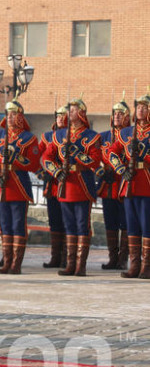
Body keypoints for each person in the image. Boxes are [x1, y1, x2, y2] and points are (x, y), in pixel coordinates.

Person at [0, 99, 40, 275]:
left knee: (18, 224)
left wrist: (16, 158)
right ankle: (6, 262)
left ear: (20, 116)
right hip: (2, 184)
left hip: (18, 184)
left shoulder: (29, 138)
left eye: (14, 114)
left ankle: (16, 264)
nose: (11, 117)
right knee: (4, 224)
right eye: (8, 114)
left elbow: (34, 163)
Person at [42, 98, 100, 277]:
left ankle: (80, 266)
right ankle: (70, 263)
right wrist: (56, 172)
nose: (71, 113)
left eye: (74, 110)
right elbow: (46, 157)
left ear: (81, 113)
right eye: (70, 110)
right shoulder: (59, 135)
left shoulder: (92, 136)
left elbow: (94, 160)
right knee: (68, 225)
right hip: (65, 183)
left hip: (82, 184)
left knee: (82, 224)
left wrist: (76, 152)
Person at [108, 91, 150, 279]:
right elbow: (111, 152)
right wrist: (121, 168)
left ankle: (147, 266)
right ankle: (134, 265)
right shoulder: (126, 132)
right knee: (132, 225)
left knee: (146, 225)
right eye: (138, 107)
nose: (140, 110)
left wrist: (142, 154)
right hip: (129, 182)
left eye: (144, 107)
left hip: (146, 182)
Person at [97, 97, 130, 270]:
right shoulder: (103, 137)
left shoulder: (130, 135)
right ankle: (112, 258)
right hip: (108, 185)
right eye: (114, 113)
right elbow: (93, 159)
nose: (116, 116)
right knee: (110, 223)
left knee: (126, 223)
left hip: (125, 184)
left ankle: (123, 259)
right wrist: (101, 172)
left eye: (120, 113)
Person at [38, 107, 68, 269]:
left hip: (66, 183)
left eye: (63, 116)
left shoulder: (71, 135)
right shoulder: (47, 137)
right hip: (51, 185)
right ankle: (55, 257)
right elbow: (37, 156)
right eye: (58, 116)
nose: (60, 119)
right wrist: (43, 173)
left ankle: (66, 257)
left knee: (66, 221)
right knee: (54, 221)